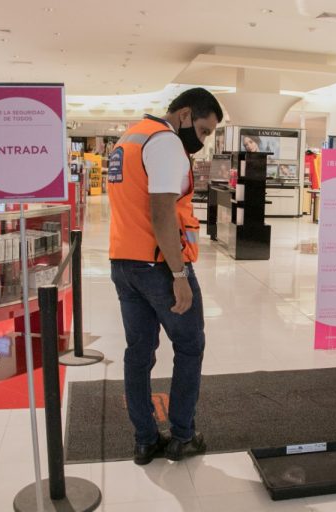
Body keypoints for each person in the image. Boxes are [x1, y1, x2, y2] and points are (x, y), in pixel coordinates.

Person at [108, 87, 223, 464]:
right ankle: (183, 435)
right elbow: (161, 212)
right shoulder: (166, 143)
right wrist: (178, 274)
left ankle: (144, 439)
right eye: (204, 131)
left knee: (138, 353)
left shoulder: (130, 137)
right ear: (185, 114)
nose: (202, 142)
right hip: (159, 265)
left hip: (123, 262)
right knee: (189, 346)